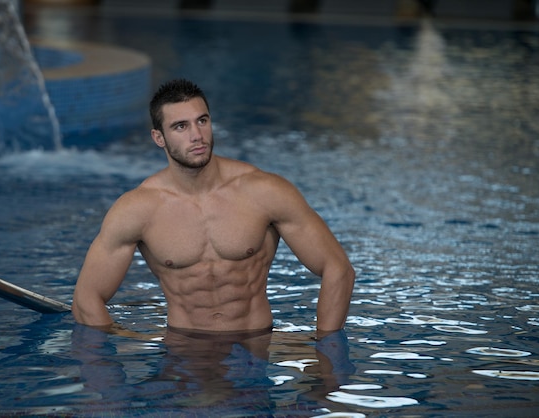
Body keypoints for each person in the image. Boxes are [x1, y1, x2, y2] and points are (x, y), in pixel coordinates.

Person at [72, 79, 355, 336]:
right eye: (180, 126)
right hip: (184, 352)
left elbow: (337, 268)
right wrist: (121, 353)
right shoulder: (138, 209)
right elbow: (86, 299)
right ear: (159, 138)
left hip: (256, 343)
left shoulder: (263, 191)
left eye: (202, 121)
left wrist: (326, 353)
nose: (197, 135)